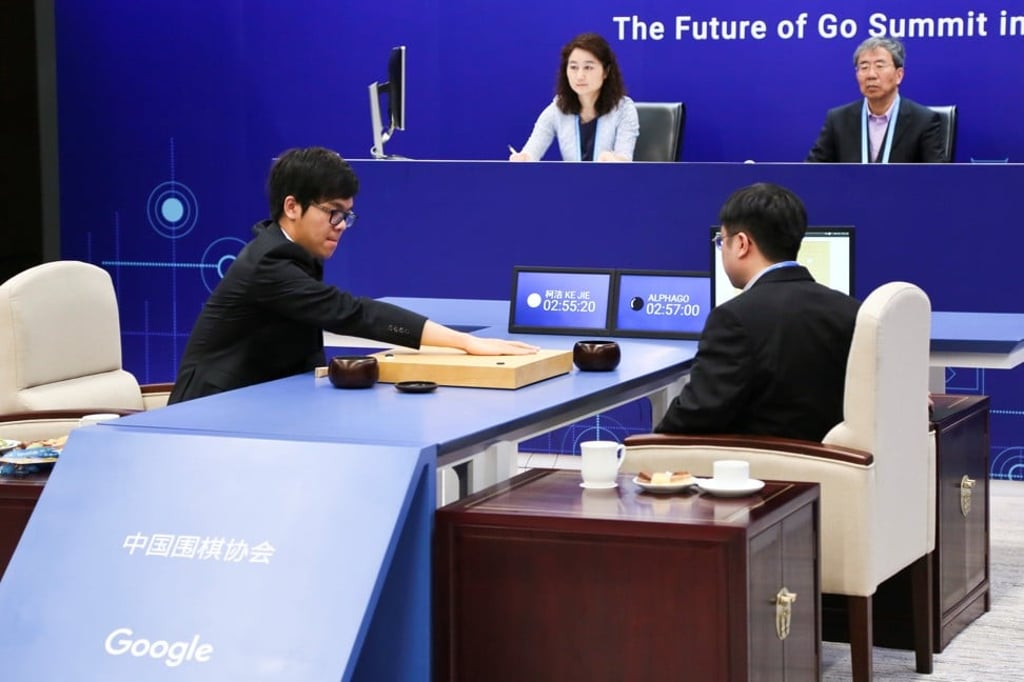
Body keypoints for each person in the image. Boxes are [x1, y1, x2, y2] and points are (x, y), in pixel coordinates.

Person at [168, 147, 538, 403]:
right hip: (210, 412)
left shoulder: (293, 251)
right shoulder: (269, 263)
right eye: (333, 212)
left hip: (262, 402)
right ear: (292, 206)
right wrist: (466, 342)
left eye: (347, 215)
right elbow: (353, 313)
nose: (341, 225)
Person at [655, 183, 861, 442]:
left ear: (742, 243)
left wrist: (645, 447)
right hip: (837, 463)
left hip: (758, 465)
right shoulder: (851, 310)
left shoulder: (733, 319)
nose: (721, 250)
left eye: (722, 241)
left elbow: (693, 417)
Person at [806, 36, 945, 163]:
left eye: (880, 66)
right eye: (864, 67)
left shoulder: (923, 121)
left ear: (899, 75)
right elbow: (812, 171)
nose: (871, 75)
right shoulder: (838, 120)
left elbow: (938, 176)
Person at [509, 33, 639, 162]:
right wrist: (524, 158)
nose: (580, 76)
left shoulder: (624, 109)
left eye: (588, 67)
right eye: (573, 67)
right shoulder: (558, 107)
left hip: (610, 176)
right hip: (571, 177)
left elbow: (625, 161)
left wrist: (612, 159)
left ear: (606, 71)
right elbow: (531, 150)